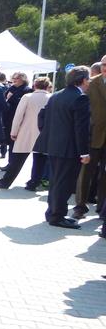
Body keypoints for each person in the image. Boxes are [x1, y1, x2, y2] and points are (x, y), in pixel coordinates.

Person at [40, 66, 92, 229]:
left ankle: (53, 212)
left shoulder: (56, 95)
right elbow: (81, 128)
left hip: (54, 145)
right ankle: (57, 216)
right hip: (69, 148)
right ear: (83, 80)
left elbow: (42, 118)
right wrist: (84, 152)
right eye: (88, 79)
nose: (89, 82)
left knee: (56, 181)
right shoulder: (80, 98)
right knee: (64, 183)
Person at [0, 77, 51, 189]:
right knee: (40, 160)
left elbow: (18, 116)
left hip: (26, 131)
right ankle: (34, 183)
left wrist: (14, 131)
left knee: (17, 160)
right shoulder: (51, 98)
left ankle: (5, 182)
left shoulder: (27, 97)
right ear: (47, 86)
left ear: (35, 86)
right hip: (43, 133)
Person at [74, 59, 105, 217]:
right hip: (93, 135)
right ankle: (80, 207)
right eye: (104, 65)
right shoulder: (90, 83)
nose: (105, 68)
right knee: (86, 172)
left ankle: (102, 209)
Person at [1, 72, 32, 165]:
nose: (14, 80)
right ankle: (10, 163)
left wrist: (11, 98)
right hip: (8, 119)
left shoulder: (27, 90)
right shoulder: (11, 88)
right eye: (13, 78)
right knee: (10, 143)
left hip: (19, 120)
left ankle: (13, 164)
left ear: (23, 79)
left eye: (17, 78)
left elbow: (22, 104)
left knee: (15, 144)